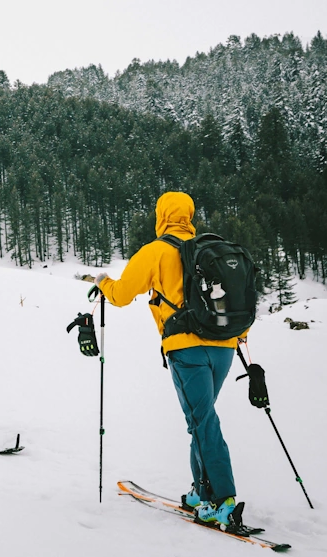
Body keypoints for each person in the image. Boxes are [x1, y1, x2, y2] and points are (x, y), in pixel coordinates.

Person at [93, 191, 244, 526]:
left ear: (161, 215)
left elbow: (119, 295)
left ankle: (222, 500)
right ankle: (201, 489)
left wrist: (101, 281)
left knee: (202, 421)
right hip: (224, 346)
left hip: (186, 348)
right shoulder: (213, 249)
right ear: (189, 214)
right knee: (201, 420)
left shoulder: (156, 251)